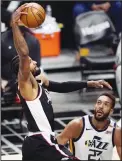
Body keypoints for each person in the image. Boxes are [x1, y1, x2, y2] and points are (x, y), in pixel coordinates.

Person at [11, 4, 113, 161]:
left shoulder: (37, 83)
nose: (35, 62)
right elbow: (23, 54)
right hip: (40, 142)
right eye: (31, 62)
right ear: (23, 68)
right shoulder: (25, 84)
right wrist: (14, 25)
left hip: (38, 143)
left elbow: (61, 86)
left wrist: (88, 83)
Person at [57, 92, 122, 160]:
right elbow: (54, 146)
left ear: (111, 111)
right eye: (99, 102)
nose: (101, 106)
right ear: (95, 105)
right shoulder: (77, 125)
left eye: (106, 104)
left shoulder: (116, 131)